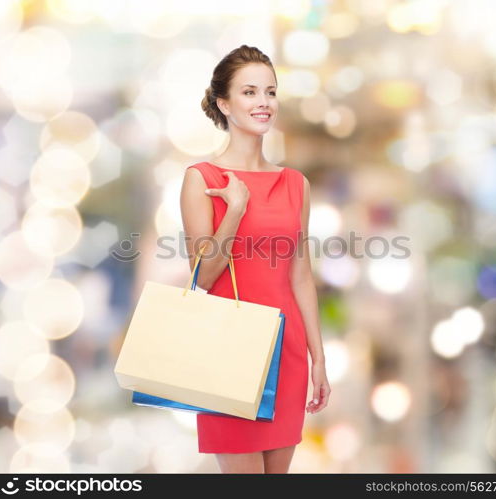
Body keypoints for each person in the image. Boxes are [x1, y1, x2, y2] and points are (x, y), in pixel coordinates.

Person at [180, 45, 330, 474]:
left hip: (288, 351)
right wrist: (235, 210)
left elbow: (301, 276)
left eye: (270, 92)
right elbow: (203, 276)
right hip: (226, 350)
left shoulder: (295, 184)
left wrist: (319, 357)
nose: (263, 103)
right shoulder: (202, 179)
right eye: (249, 92)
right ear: (224, 104)